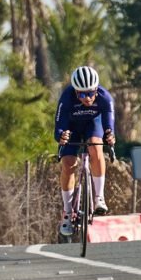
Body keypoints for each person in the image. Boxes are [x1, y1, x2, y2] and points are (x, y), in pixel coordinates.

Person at [54, 65, 116, 236]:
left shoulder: (105, 98)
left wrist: (110, 135)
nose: (87, 98)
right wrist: (61, 136)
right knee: (68, 164)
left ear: (96, 89)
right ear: (75, 92)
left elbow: (109, 125)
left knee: (96, 147)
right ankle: (67, 212)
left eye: (90, 93)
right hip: (71, 127)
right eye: (81, 94)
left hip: (92, 125)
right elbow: (58, 128)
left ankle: (99, 198)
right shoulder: (66, 97)